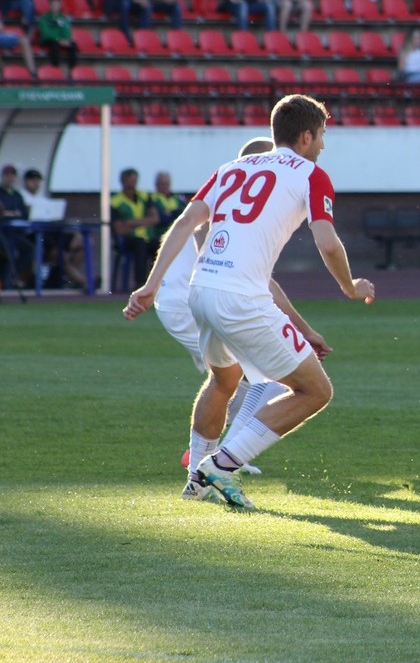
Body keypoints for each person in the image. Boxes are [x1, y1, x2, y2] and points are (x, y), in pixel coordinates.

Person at [122, 95, 375, 509]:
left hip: (200, 290)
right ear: (307, 136)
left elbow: (185, 223)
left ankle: (196, 481)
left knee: (223, 381)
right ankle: (221, 466)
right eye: (323, 135)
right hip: (241, 298)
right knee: (315, 390)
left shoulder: (230, 169)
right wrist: (350, 287)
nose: (324, 146)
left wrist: (150, 286)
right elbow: (327, 242)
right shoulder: (311, 174)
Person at [112, 167, 160, 289]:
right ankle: (140, 284)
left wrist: (131, 223)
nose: (131, 185)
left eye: (134, 181)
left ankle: (159, 281)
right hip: (129, 239)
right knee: (140, 244)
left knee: (161, 245)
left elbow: (155, 219)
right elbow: (119, 229)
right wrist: (145, 221)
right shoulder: (115, 202)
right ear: (123, 182)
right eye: (129, 182)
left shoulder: (144, 196)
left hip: (147, 236)